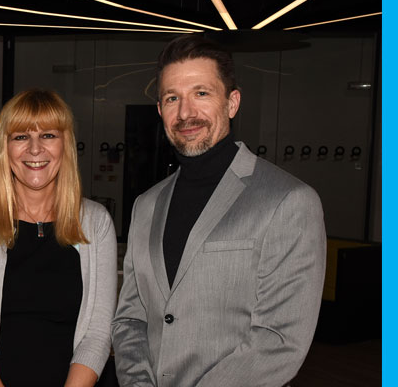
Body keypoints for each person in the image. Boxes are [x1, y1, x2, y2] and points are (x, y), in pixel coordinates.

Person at [112, 34, 326, 386]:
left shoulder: (289, 200)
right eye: (172, 98)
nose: (185, 113)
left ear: (232, 102)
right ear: (160, 110)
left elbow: (278, 340)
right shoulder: (146, 205)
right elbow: (131, 319)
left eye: (201, 93)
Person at [0, 90, 117, 387]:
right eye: (20, 137)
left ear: (66, 145)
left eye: (48, 135)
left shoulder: (96, 222)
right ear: (4, 148)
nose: (35, 150)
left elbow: (98, 334)